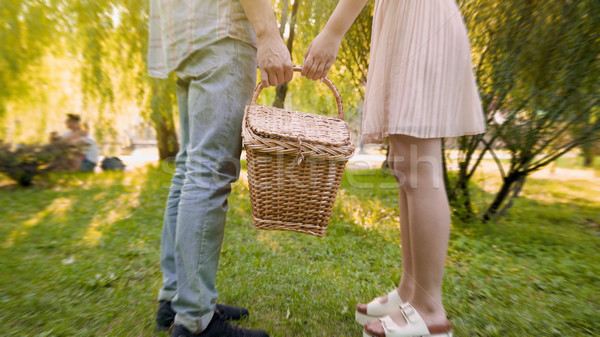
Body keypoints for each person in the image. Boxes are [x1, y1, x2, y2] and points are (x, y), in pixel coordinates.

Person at [302, 1, 485, 336]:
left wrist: (332, 31)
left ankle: (429, 310)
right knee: (404, 164)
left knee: (418, 167)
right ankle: (409, 293)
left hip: (421, 21)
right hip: (406, 20)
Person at [148, 0, 293, 336]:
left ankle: (177, 297)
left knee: (190, 167)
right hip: (222, 29)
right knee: (209, 171)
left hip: (185, 31)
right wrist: (268, 34)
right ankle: (196, 318)